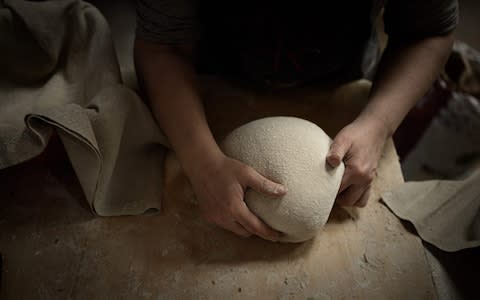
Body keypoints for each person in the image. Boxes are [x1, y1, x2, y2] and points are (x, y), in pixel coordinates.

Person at [134, 0, 458, 241]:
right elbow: (165, 45)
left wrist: (377, 124)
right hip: (210, 76)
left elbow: (428, 32)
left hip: (340, 78)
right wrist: (202, 162)